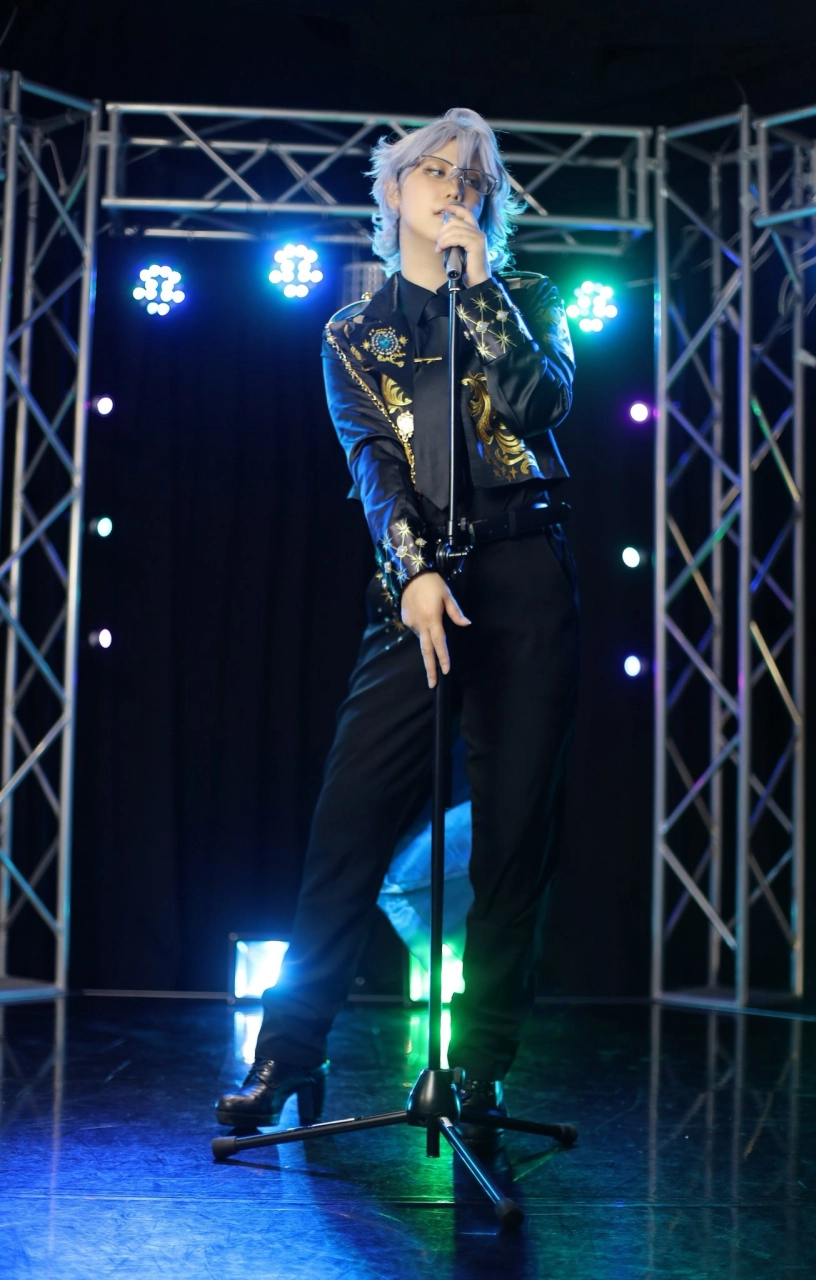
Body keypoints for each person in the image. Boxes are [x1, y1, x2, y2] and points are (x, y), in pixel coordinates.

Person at [216, 107, 579, 1142]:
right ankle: (290, 1053)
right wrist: (412, 572)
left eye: (472, 175)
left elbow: (540, 404)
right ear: (393, 190)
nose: (453, 184)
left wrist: (482, 290)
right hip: (415, 586)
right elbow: (374, 466)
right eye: (434, 169)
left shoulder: (527, 298)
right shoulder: (354, 330)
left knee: (513, 835)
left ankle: (481, 1067)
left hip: (525, 573)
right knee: (347, 824)